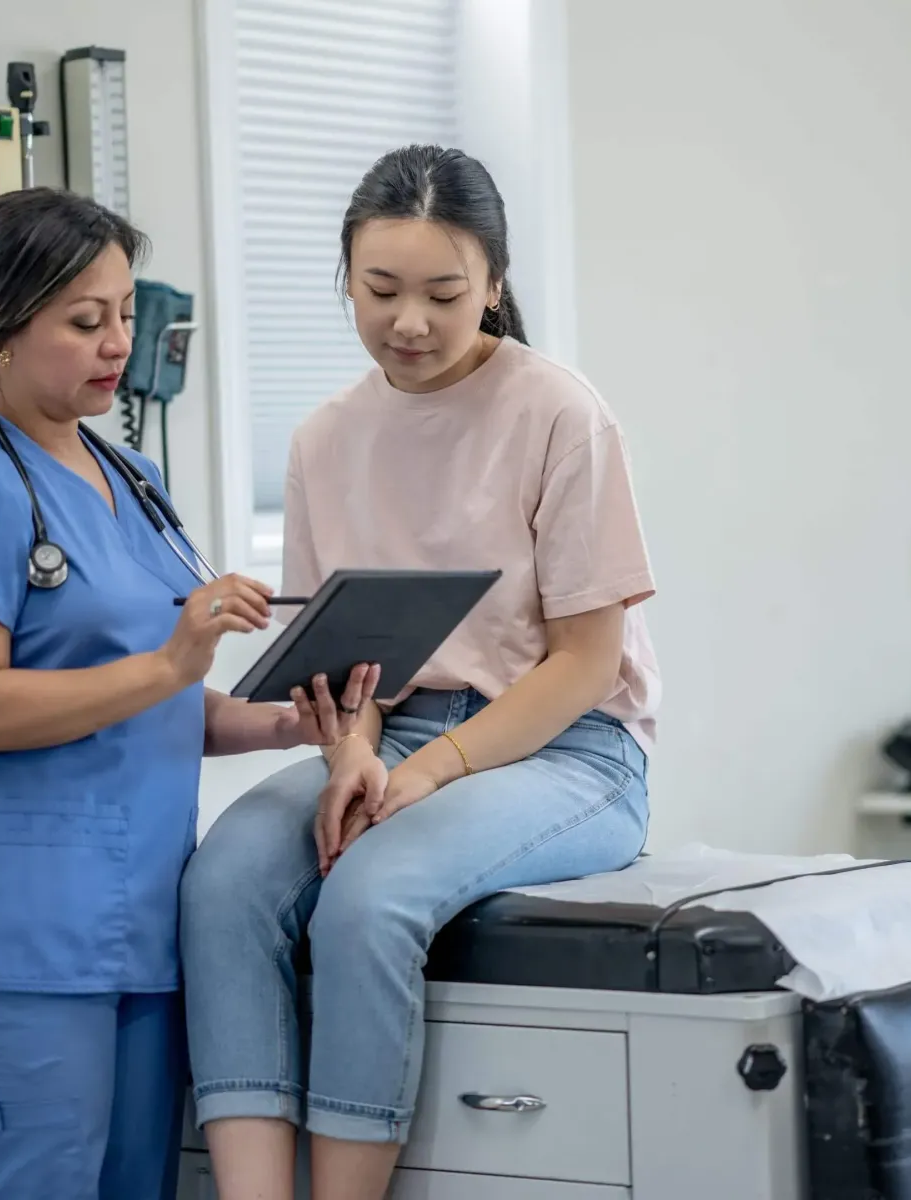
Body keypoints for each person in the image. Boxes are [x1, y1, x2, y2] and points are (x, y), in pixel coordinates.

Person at [179, 144, 662, 1200]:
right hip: (384, 733)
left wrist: (428, 771)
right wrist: (352, 749)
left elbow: (587, 664)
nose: (409, 322)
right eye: (380, 290)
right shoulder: (324, 437)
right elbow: (343, 657)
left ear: (493, 283)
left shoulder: (559, 414)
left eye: (445, 294)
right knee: (221, 883)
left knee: (369, 893)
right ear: (344, 279)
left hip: (568, 748)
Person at [0, 186, 378, 1200]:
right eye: (84, 320)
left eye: (123, 312)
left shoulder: (133, 474)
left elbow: (161, 711)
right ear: (3, 330)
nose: (117, 341)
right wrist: (166, 663)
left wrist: (291, 722)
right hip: (15, 939)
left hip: (142, 929)